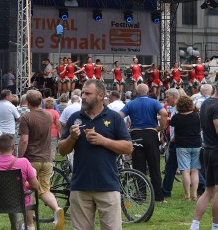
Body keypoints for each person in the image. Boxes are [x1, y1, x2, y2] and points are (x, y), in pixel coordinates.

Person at [58, 79, 132, 229]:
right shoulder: (75, 118)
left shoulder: (114, 117)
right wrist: (72, 138)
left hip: (107, 185)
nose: (83, 96)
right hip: (80, 186)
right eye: (82, 93)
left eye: (87, 93)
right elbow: (62, 150)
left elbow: (128, 147)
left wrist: (104, 141)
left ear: (100, 96)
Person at [189, 80, 218, 230]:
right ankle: (216, 227)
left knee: (208, 190)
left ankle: (195, 225)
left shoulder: (206, 103)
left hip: (208, 150)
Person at [18, 89, 64, 230]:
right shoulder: (48, 116)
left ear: (27, 102)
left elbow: (24, 140)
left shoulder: (26, 118)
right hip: (47, 158)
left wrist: (19, 157)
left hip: (31, 159)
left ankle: (30, 224)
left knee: (27, 192)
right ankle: (56, 209)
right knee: (44, 190)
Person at [119, 83, 168, 203]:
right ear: (147, 91)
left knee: (138, 167)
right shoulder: (153, 102)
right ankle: (158, 196)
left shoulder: (130, 103)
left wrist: (126, 130)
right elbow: (164, 114)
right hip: (151, 134)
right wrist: (160, 127)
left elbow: (119, 116)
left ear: (136, 92)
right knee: (154, 166)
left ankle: (141, 195)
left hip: (136, 135)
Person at [0, 134, 38, 230]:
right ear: (13, 147)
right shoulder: (24, 162)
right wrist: (24, 185)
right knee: (25, 189)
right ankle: (30, 225)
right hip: (18, 201)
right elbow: (35, 186)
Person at [170, 95, 202, 201]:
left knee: (185, 170)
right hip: (196, 144)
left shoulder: (176, 117)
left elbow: (172, 125)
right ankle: (195, 195)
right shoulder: (197, 116)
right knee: (195, 170)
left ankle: (187, 195)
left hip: (182, 145)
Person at [162, 88, 179, 199]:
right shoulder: (174, 108)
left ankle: (166, 190)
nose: (166, 98)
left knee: (170, 167)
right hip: (176, 140)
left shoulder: (177, 109)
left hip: (176, 141)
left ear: (173, 96)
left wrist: (173, 138)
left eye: (167, 96)